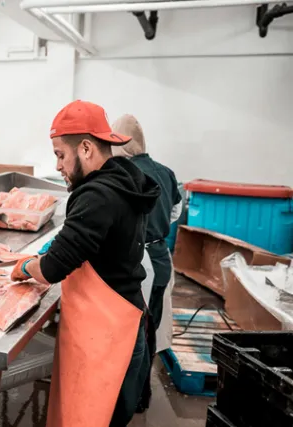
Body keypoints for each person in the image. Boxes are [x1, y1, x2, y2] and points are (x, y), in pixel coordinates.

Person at [11, 100, 160, 427]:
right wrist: (61, 242)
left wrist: (24, 267)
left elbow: (52, 270)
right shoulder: (123, 181)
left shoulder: (96, 196)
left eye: (60, 155)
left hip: (107, 336)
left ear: (88, 148)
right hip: (125, 320)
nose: (59, 165)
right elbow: (90, 239)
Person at [111, 114, 183, 411]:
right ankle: (142, 395)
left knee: (134, 331)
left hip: (139, 261)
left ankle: (128, 398)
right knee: (151, 326)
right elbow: (176, 211)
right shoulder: (165, 171)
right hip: (161, 257)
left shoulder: (123, 173)